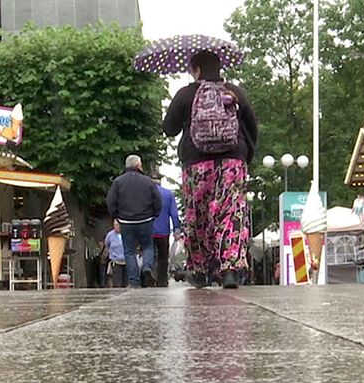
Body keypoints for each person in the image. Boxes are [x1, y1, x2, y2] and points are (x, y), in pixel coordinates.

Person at [163, 49, 259, 289]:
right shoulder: (234, 92)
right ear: (219, 68)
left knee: (198, 215)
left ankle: (200, 270)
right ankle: (230, 270)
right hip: (233, 162)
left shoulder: (186, 94)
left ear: (196, 70)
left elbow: (169, 128)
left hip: (196, 163)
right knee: (231, 213)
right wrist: (246, 154)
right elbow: (252, 126)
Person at [106, 155, 161, 288]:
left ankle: (134, 281)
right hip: (146, 219)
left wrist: (116, 216)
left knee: (129, 251)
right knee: (147, 246)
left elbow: (110, 201)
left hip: (126, 221)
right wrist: (154, 214)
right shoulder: (148, 182)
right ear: (138, 166)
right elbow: (158, 200)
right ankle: (147, 268)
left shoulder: (118, 182)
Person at [150, 171, 181, 287]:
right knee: (163, 257)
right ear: (160, 180)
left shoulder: (145, 194)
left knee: (150, 255)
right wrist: (177, 229)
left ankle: (150, 278)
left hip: (148, 230)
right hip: (163, 231)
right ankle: (162, 280)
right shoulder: (168, 194)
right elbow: (174, 214)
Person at [42, 187, 73, 286]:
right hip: (56, 229)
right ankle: (55, 280)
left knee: (55, 263)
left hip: (54, 229)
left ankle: (55, 280)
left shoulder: (54, 216)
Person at [104, 220, 126, 287]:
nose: (117, 227)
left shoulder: (126, 233)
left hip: (126, 261)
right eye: (115, 225)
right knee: (117, 282)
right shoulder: (110, 235)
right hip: (116, 261)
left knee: (125, 282)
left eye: (118, 225)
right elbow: (107, 244)